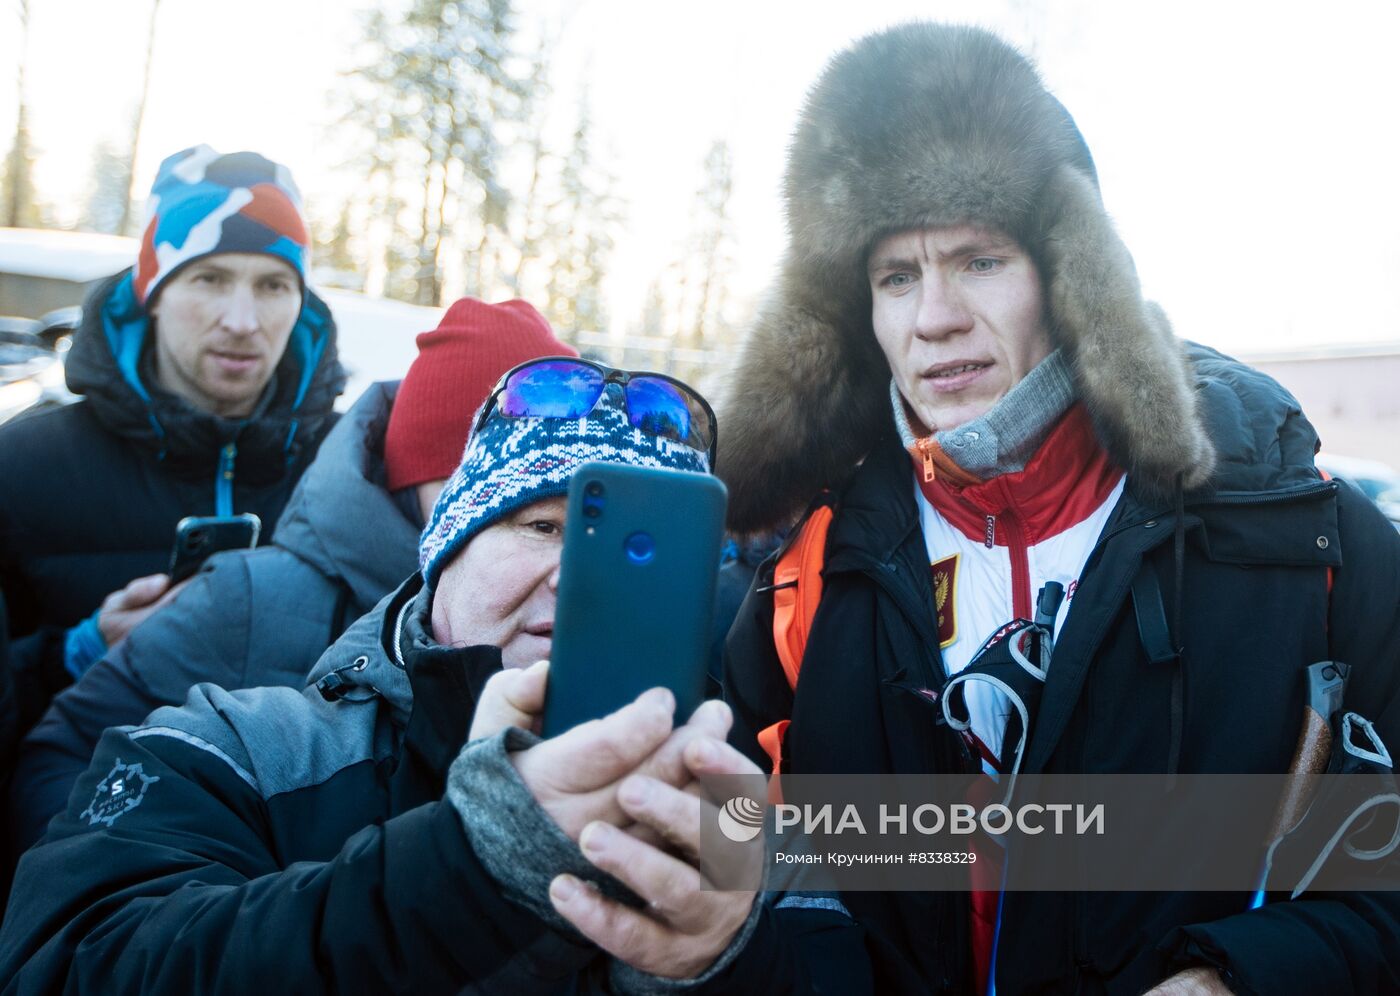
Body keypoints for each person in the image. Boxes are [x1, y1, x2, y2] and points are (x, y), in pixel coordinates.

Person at [715, 23, 1400, 994]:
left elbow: (1383, 870)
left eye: (978, 259)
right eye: (895, 276)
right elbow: (739, 847)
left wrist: (1238, 979)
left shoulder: (1301, 538)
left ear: (1070, 277)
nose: (934, 316)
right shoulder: (809, 572)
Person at [0, 358, 764, 992]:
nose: (577, 579)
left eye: (632, 555)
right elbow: (73, 961)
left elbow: (861, 953)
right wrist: (469, 867)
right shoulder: (239, 752)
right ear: (446, 550)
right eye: (541, 526)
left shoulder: (751, 792)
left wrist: (716, 963)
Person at [3, 298, 575, 862]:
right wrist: (155, 876)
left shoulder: (571, 614)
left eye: (568, 520)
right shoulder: (249, 599)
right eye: (534, 520)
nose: (491, 520)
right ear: (413, 476)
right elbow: (67, 751)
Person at [0, 146, 343, 739]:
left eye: (272, 285)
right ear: (152, 291)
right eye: (209, 278)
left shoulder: (353, 467)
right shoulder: (21, 466)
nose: (242, 319)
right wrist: (76, 653)